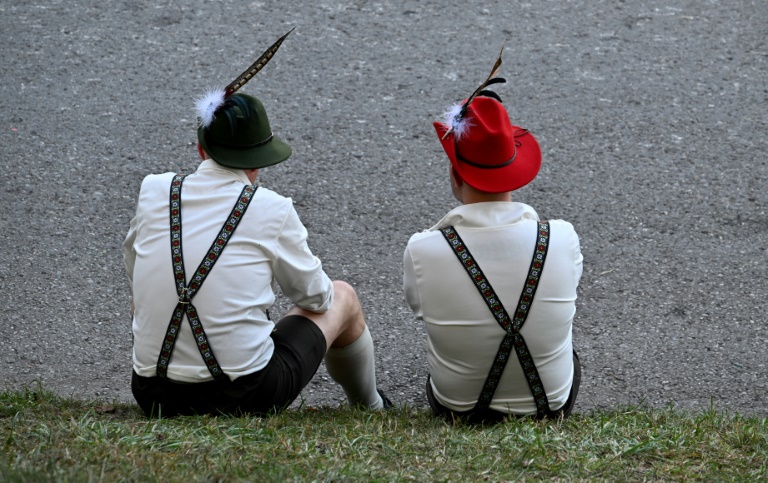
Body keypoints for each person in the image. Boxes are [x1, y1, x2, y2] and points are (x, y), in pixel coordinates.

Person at [123, 32, 390, 417]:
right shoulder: (270, 208)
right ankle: (372, 406)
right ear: (261, 159)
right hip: (244, 396)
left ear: (202, 149)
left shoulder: (154, 189)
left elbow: (136, 276)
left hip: (152, 394)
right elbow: (316, 298)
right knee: (343, 295)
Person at [403, 57, 583, 423]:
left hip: (458, 408)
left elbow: (422, 310)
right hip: (548, 405)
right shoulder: (561, 237)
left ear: (456, 173)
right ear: (515, 171)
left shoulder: (422, 249)